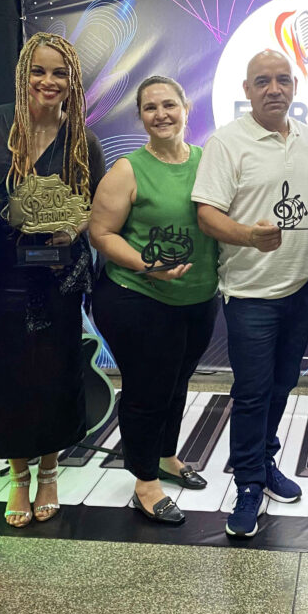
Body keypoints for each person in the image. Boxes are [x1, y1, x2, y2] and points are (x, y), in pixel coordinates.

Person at [0, 32, 106, 527]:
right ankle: (18, 476)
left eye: (59, 73)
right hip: (0, 277)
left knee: (55, 374)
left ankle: (49, 472)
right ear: (23, 74)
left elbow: (98, 207)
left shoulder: (82, 139)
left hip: (58, 279)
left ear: (73, 82)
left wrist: (74, 226)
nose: (48, 81)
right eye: (38, 71)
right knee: (5, 379)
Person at [191, 49, 308, 538]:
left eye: (283, 80)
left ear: (295, 87)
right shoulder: (226, 142)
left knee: (283, 385)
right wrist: (248, 235)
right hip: (249, 294)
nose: (274, 89)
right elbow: (207, 214)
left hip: (300, 287)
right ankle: (247, 484)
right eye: (262, 81)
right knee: (251, 393)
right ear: (246, 89)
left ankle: (265, 462)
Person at [90, 76, 219, 525]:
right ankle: (144, 482)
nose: (161, 114)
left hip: (197, 298)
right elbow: (101, 233)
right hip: (138, 297)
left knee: (177, 382)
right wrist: (149, 264)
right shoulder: (127, 170)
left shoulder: (207, 162)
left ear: (186, 107)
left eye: (169, 105)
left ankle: (166, 457)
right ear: (141, 117)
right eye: (150, 108)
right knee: (147, 390)